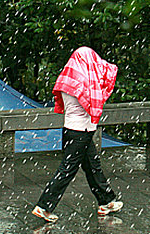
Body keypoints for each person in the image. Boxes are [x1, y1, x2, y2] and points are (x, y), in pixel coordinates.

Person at [32, 46, 123, 223]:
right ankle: (44, 206)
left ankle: (106, 201)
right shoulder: (84, 83)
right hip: (81, 132)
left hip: (73, 130)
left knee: (92, 166)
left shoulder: (68, 80)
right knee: (68, 169)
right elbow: (94, 101)